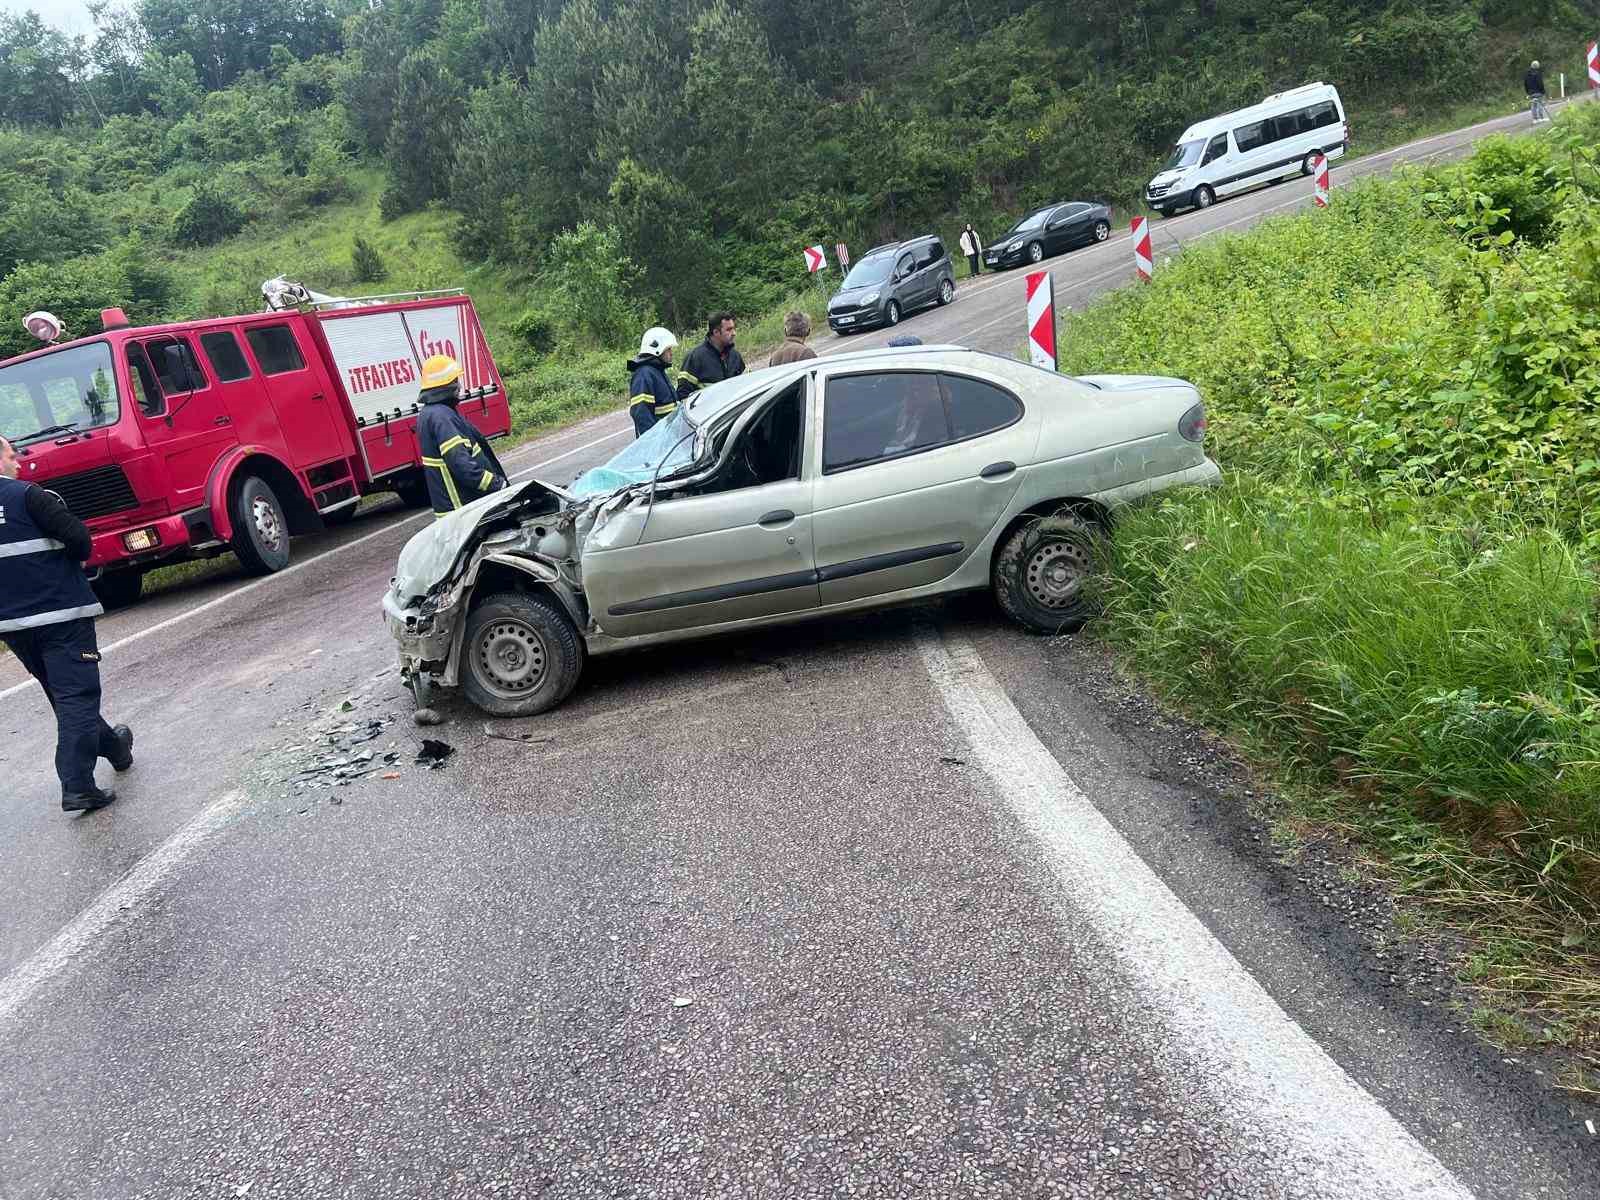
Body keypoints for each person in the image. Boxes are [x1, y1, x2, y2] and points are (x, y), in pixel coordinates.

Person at [0, 435, 134, 812]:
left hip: (11, 624)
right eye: (12, 455)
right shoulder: (30, 496)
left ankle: (113, 745)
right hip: (61, 614)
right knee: (77, 695)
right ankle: (77, 783)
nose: (17, 462)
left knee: (65, 694)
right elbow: (80, 542)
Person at [416, 354, 508, 517]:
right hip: (464, 511)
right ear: (448, 385)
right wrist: (497, 484)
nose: (459, 386)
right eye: (456, 380)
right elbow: (462, 465)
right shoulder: (442, 417)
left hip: (458, 510)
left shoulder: (432, 413)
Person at [676, 312, 745, 403]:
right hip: (709, 415)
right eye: (729, 330)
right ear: (716, 332)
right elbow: (683, 395)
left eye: (733, 329)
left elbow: (742, 387)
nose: (734, 333)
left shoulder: (735, 356)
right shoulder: (695, 357)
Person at [627, 326, 680, 437]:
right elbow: (642, 414)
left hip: (669, 438)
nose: (671, 353)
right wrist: (655, 442)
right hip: (659, 443)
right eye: (668, 349)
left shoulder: (657, 371)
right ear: (657, 348)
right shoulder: (644, 375)